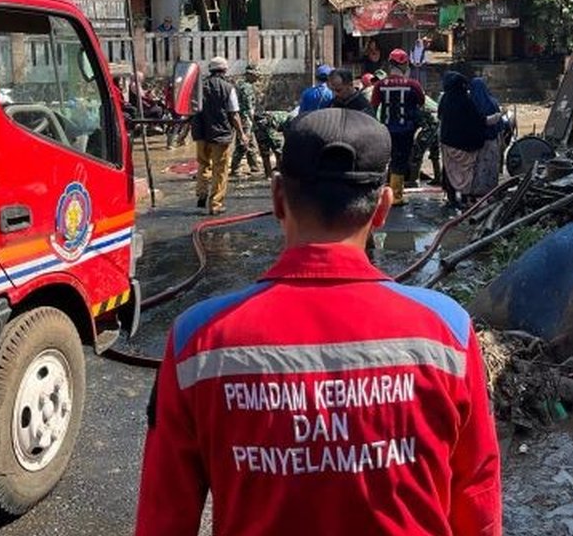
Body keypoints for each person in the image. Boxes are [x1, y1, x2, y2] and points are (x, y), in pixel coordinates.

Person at [135, 109, 502, 536]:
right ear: (382, 207)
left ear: (276, 198)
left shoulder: (197, 340)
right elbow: (477, 496)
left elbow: (164, 516)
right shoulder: (447, 334)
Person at [192, 57, 246, 215]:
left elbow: (192, 109)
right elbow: (234, 114)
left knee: (203, 163)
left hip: (201, 133)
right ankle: (215, 204)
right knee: (220, 170)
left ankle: (202, 193)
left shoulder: (199, 87)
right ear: (225, 70)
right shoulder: (228, 88)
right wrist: (242, 134)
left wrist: (184, 133)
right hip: (220, 135)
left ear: (210, 69)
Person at [370, 48, 426, 205]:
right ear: (405, 65)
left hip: (386, 129)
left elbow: (373, 107)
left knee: (385, 160)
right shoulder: (413, 85)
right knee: (400, 161)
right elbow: (421, 103)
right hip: (406, 130)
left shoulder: (380, 86)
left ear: (390, 65)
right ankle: (396, 197)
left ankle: (382, 192)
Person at [437, 71, 487, 209]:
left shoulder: (445, 99)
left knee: (449, 169)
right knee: (466, 171)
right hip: (466, 144)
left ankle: (451, 197)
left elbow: (440, 116)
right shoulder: (467, 101)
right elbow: (477, 120)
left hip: (448, 142)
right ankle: (465, 197)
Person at [469, 77, 505, 198]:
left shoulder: (469, 103)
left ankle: (473, 191)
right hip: (491, 142)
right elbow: (500, 126)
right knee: (489, 168)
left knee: (475, 167)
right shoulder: (493, 103)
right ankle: (489, 192)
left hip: (473, 142)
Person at [229, 65, 263, 178]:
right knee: (243, 144)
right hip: (245, 119)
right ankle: (235, 168)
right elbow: (249, 107)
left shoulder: (240, 84)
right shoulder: (246, 87)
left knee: (251, 143)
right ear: (250, 74)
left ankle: (254, 166)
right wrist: (252, 120)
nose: (257, 77)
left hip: (243, 118)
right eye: (255, 74)